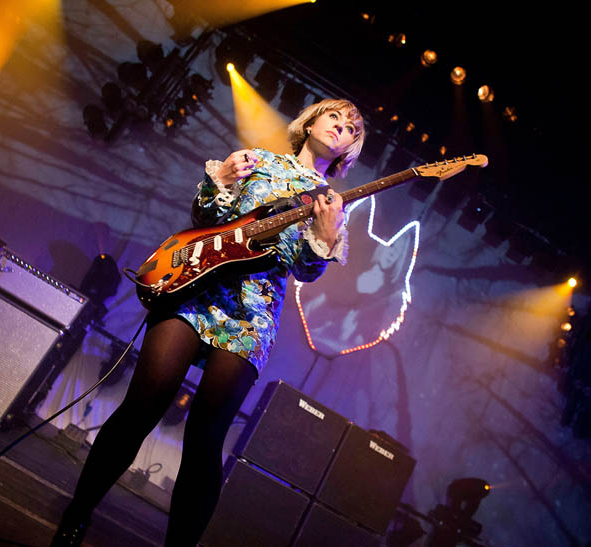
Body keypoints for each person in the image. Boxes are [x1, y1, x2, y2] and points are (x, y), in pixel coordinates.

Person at [52, 98, 366, 546]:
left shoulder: (332, 202)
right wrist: (218, 180)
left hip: (251, 314)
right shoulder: (257, 162)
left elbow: (304, 268)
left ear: (348, 151)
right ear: (311, 121)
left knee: (205, 438)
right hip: (195, 293)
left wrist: (327, 235)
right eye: (334, 116)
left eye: (352, 129)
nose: (342, 127)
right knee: (142, 405)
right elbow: (206, 220)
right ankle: (76, 516)